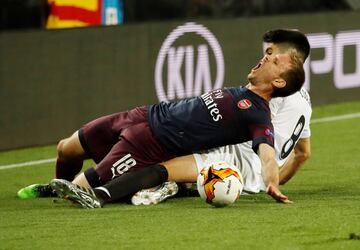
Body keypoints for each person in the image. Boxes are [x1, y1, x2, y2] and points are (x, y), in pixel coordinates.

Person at [18, 29, 308, 207]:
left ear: (280, 83)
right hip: (144, 114)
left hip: (152, 143)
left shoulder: (259, 114)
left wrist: (273, 182)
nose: (268, 56)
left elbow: (267, 153)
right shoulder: (240, 90)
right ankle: (55, 190)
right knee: (65, 148)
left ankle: (75, 194)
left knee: (81, 187)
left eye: (275, 59)